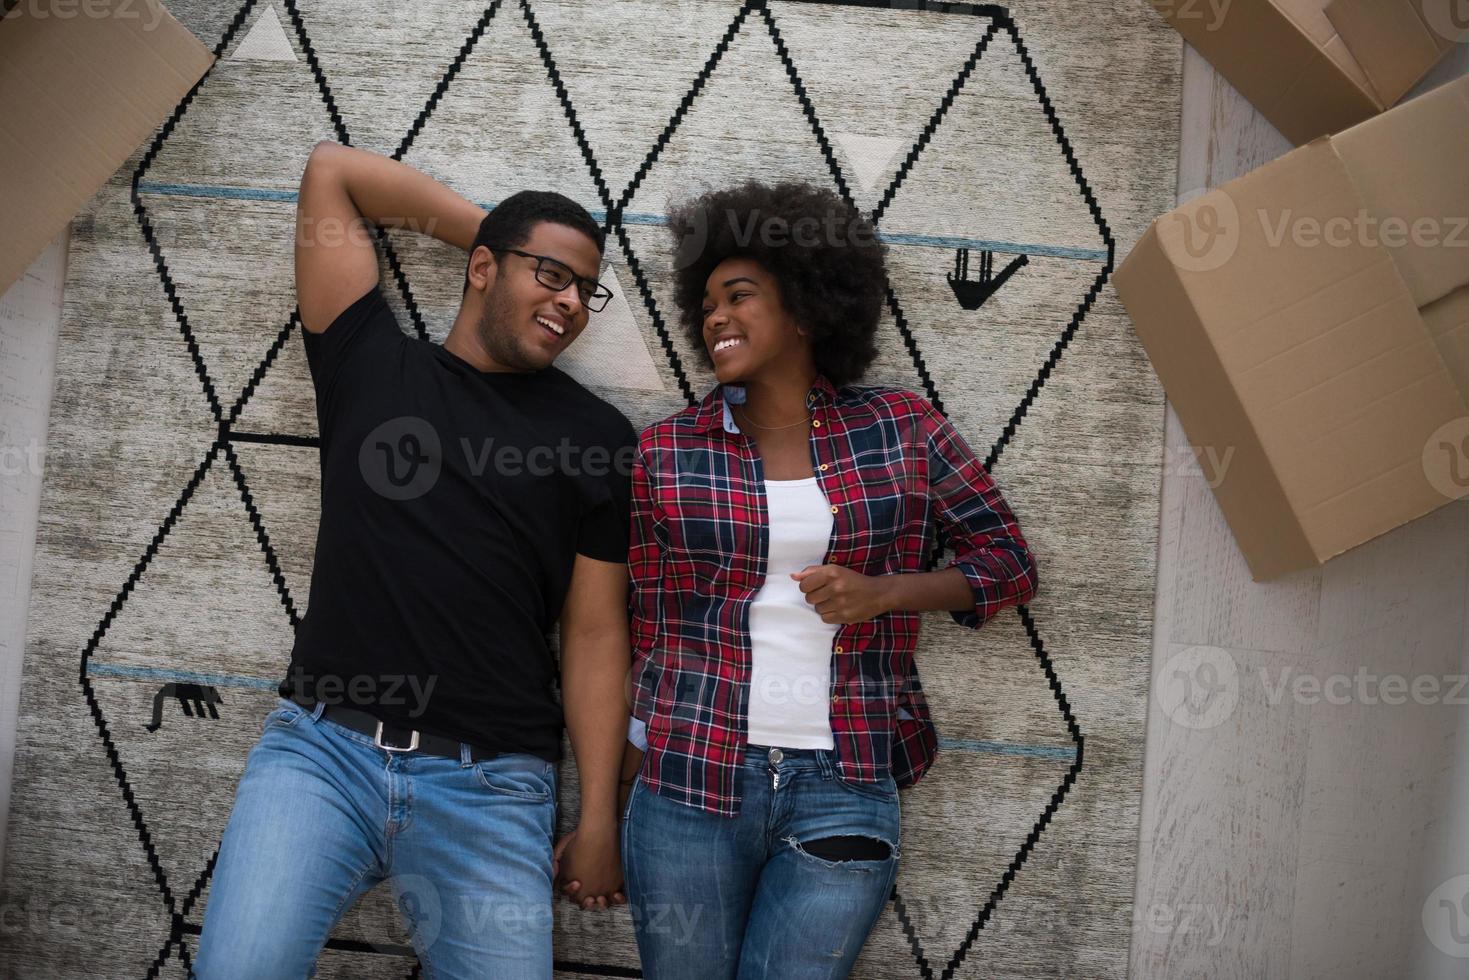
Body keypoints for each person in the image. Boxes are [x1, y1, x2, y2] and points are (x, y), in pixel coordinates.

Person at [192, 142, 631, 979]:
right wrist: (497, 235)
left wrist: (601, 814)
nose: (571, 301)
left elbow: (596, 634)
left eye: (585, 289)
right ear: (480, 268)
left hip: (493, 788)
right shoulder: (370, 364)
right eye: (551, 275)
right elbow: (331, 172)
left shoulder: (598, 437)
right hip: (322, 756)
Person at [596, 179, 1039, 978]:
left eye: (739, 296)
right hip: (689, 778)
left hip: (843, 778)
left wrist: (887, 592)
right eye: (704, 305)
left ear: (804, 304)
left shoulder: (902, 428)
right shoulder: (667, 451)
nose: (715, 317)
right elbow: (650, 629)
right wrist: (614, 802)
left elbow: (1007, 563)